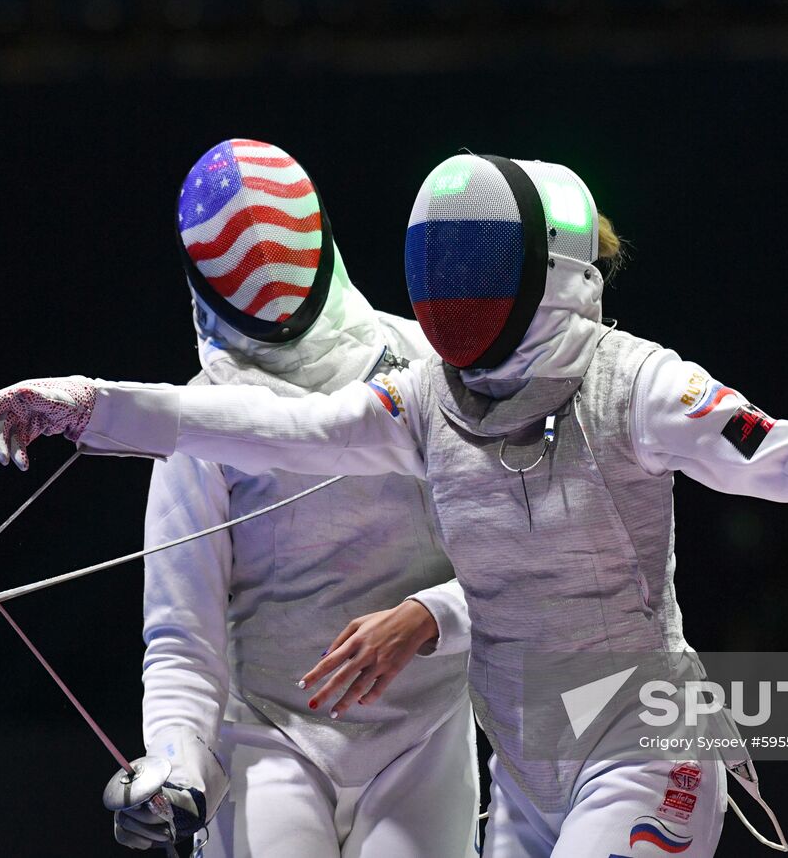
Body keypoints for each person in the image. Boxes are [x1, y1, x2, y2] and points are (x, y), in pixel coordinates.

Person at [0, 153, 788, 857]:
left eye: (475, 269)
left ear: (538, 270)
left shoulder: (641, 389)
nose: (451, 298)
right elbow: (251, 425)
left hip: (645, 743)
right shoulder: (423, 398)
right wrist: (87, 405)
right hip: (525, 773)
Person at [31, 139, 480, 857]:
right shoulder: (203, 419)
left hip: (422, 735)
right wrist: (176, 770)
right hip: (271, 739)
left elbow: (520, 559)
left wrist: (428, 616)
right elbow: (183, 636)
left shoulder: (427, 371)